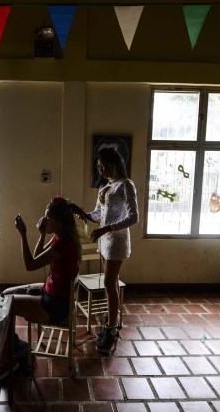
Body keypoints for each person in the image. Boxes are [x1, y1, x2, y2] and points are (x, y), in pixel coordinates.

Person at [1, 195, 81, 372]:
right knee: (5, 294)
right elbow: (38, 258)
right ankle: (14, 345)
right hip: (53, 293)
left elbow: (30, 265)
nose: (44, 220)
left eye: (48, 218)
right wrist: (42, 234)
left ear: (59, 222)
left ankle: (10, 357)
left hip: (55, 305)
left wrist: (23, 235)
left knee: (6, 304)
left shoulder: (63, 244)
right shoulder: (61, 236)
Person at [80, 147, 139, 354]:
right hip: (104, 241)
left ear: (114, 162)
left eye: (103, 165)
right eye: (98, 166)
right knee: (109, 284)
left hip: (117, 241)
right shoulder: (105, 187)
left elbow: (133, 217)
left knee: (108, 284)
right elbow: (98, 213)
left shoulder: (126, 186)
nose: (101, 169)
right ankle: (110, 324)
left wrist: (106, 228)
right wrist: (83, 213)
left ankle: (112, 328)